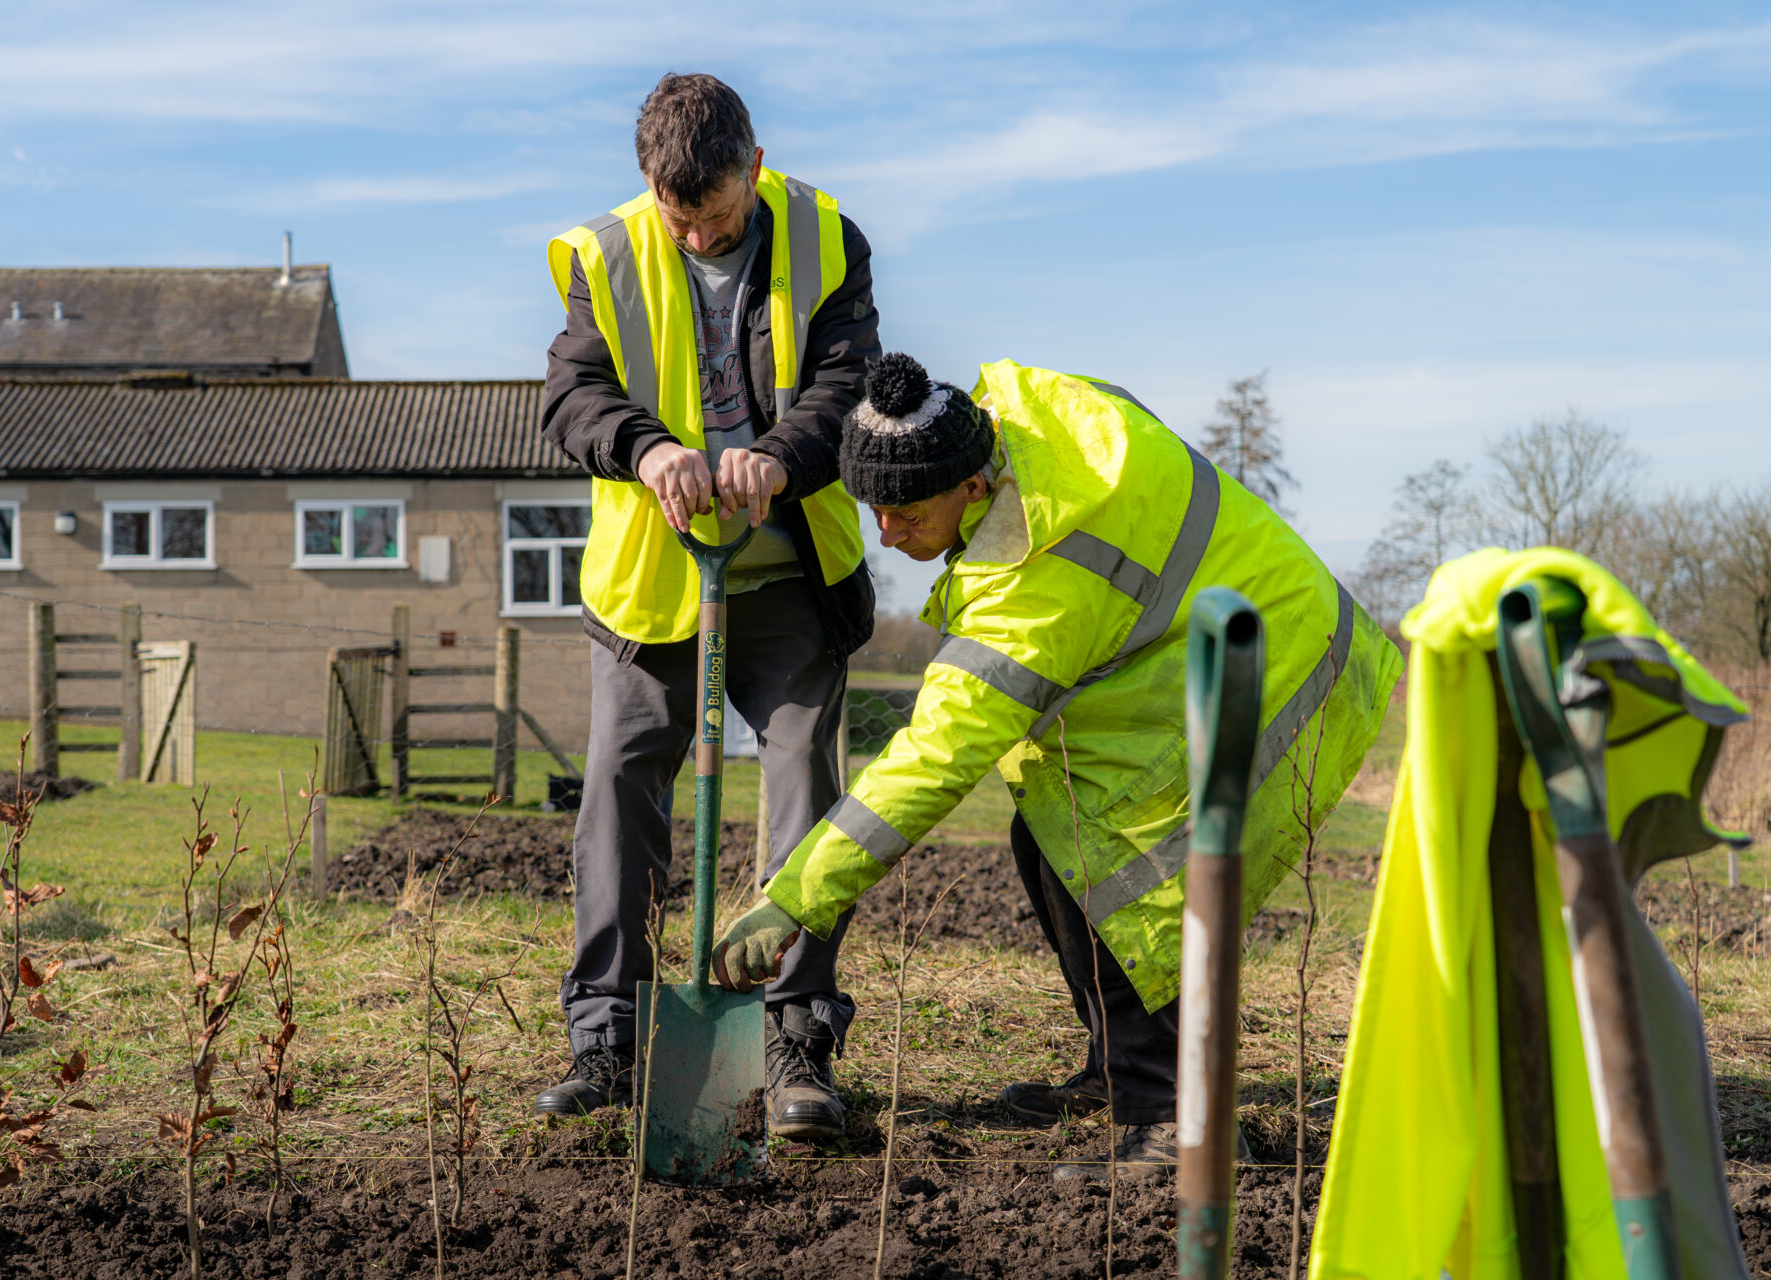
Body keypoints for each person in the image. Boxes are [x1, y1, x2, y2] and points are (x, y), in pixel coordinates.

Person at [712, 353, 1403, 1179]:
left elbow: (934, 757)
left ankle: (1178, 1125)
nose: (887, 538)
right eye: (873, 512)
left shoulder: (1037, 577)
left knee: (1111, 869)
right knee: (1042, 836)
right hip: (1221, 635)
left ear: (972, 488)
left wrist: (795, 898)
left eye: (904, 514)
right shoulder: (1022, 413)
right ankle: (1119, 1068)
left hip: (1278, 672)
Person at [536, 73, 880, 1142]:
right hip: (653, 575)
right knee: (618, 783)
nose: (694, 231)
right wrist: (650, 449)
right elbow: (571, 395)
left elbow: (847, 380)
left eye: (716, 213)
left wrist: (777, 460)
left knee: (802, 785)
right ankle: (608, 1034)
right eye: (677, 211)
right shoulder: (609, 254)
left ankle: (793, 1036)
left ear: (755, 169)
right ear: (649, 182)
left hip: (785, 570)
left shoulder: (828, 240)